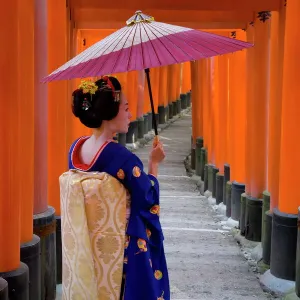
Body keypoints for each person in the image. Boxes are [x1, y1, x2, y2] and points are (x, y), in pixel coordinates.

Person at [66, 76, 170, 300]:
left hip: (89, 245)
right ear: (109, 112)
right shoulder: (121, 157)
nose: (131, 114)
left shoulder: (76, 149)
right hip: (119, 250)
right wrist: (153, 164)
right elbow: (147, 197)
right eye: (126, 108)